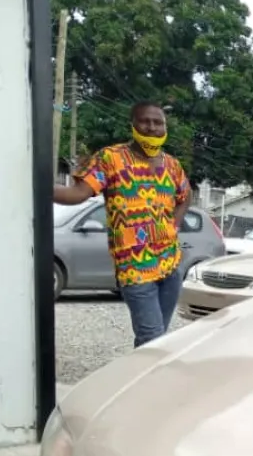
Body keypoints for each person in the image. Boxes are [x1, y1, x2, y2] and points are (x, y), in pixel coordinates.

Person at [53, 101, 192, 347]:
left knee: (156, 340)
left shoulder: (171, 165)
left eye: (158, 122)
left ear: (165, 127)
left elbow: (186, 195)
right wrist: (35, 184)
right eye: (145, 121)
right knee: (152, 339)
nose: (151, 127)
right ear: (133, 125)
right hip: (135, 269)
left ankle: (139, 382)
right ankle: (147, 384)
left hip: (170, 266)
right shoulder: (111, 158)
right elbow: (78, 193)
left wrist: (175, 225)